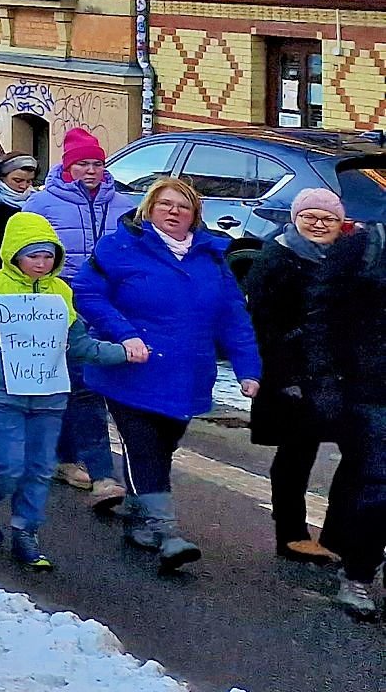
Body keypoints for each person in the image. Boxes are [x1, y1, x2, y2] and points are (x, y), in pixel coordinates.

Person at [70, 175, 262, 572]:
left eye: (183, 206)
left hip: (187, 375)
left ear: (195, 215)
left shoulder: (212, 258)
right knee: (143, 447)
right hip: (131, 371)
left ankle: (140, 522)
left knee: (161, 448)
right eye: (165, 205)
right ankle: (166, 530)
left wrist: (248, 369)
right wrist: (124, 335)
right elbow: (86, 292)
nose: (174, 212)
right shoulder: (121, 247)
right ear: (149, 209)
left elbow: (232, 317)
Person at [0, 211, 131, 570]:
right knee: (6, 464)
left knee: (39, 467)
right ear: (14, 253)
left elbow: (77, 343)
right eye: (34, 255)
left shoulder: (61, 291)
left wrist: (123, 352)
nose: (42, 263)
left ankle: (26, 533)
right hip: (0, 391)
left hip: (49, 393)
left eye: (49, 255)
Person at [246, 186, 349, 565]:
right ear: (295, 218)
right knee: (297, 450)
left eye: (328, 219)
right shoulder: (277, 257)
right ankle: (291, 535)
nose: (319, 224)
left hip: (331, 373)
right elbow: (263, 322)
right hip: (290, 373)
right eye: (310, 217)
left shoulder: (341, 257)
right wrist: (285, 373)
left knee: (351, 451)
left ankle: (335, 533)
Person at [26, 128, 128, 505]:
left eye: (97, 163)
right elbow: (21, 253)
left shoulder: (122, 205)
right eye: (82, 163)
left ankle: (65, 457)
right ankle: (94, 469)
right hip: (60, 302)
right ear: (68, 167)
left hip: (107, 302)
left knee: (81, 383)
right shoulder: (43, 205)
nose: (91, 170)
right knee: (78, 383)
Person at [305, 197, 386, 618]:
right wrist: (324, 382)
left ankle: (348, 547)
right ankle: (357, 575)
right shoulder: (363, 245)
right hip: (369, 387)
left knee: (365, 479)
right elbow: (321, 316)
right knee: (377, 484)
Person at [0, 154, 43, 273]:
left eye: (29, 181)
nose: (23, 186)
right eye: (17, 180)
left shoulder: (35, 202)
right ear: (1, 177)